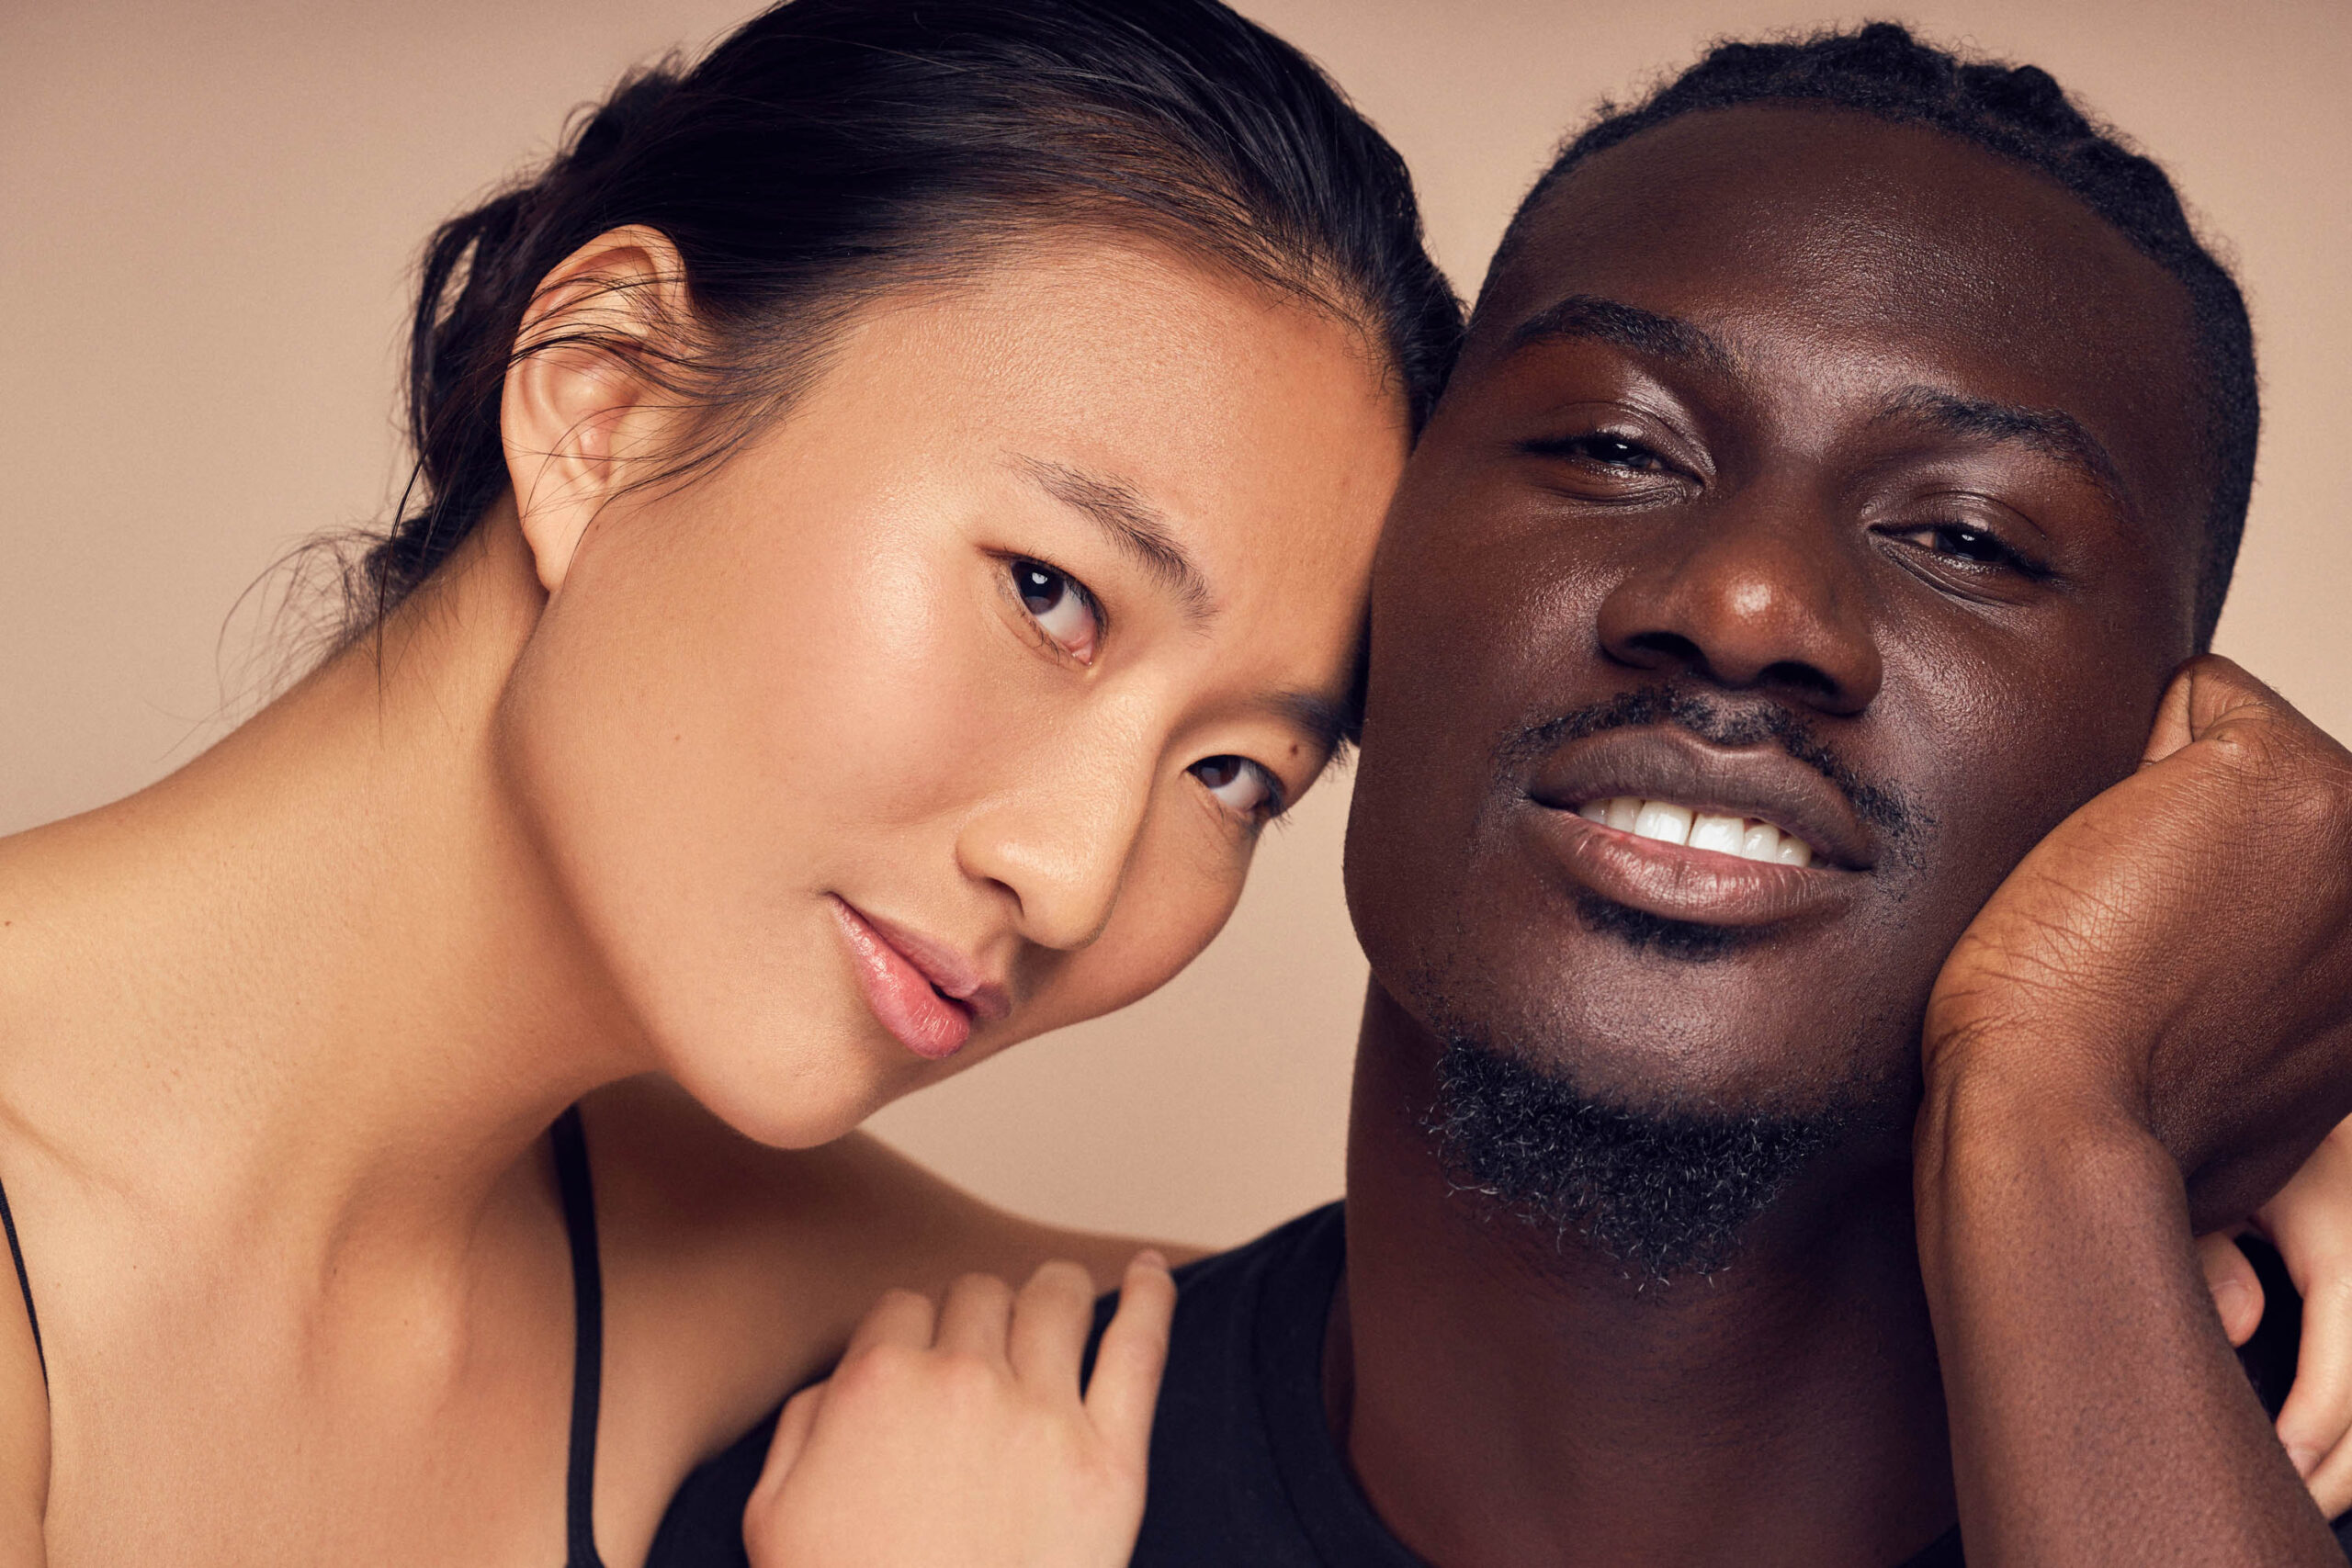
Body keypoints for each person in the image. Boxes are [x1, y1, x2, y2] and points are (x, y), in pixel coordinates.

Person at [662, 24, 2352, 1567]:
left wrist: (2063, 1120)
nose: (1748, 602)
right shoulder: (874, 1513)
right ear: (1372, 609)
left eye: (1967, 539)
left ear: (2167, 771)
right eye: (1615, 450)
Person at [0, 2, 1463, 1563]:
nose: (1076, 874)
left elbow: (1469, 1417)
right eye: (1049, 591)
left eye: (1241, 773)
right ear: (604, 401)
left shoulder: (714, 1252)